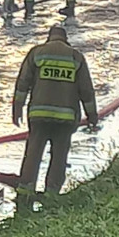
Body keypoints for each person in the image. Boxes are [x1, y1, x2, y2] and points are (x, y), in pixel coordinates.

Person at [13, 25, 98, 194]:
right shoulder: (76, 57)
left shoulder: (37, 53)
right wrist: (92, 116)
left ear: (48, 38)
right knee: (59, 156)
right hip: (65, 118)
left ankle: (25, 190)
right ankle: (52, 192)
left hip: (39, 115)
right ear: (66, 39)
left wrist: (17, 109)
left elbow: (22, 84)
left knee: (33, 153)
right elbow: (86, 90)